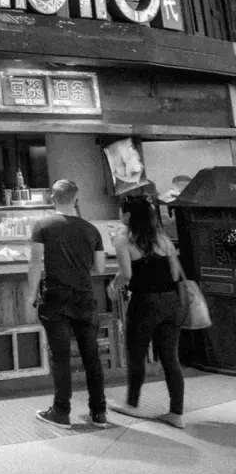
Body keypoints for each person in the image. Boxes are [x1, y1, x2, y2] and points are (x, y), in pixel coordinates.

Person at [27, 179, 108, 428]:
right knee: (91, 355)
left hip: (55, 298)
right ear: (76, 198)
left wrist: (31, 295)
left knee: (60, 357)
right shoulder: (92, 229)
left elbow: (35, 263)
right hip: (84, 298)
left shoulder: (42, 225)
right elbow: (100, 267)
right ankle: (99, 413)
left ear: (52, 197)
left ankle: (61, 412)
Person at [109, 196, 185, 429]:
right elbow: (174, 274)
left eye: (123, 212)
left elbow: (126, 274)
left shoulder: (125, 240)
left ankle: (132, 404)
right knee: (171, 358)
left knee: (136, 354)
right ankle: (176, 413)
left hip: (145, 304)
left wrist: (113, 287)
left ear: (128, 216)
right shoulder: (163, 240)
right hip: (172, 303)